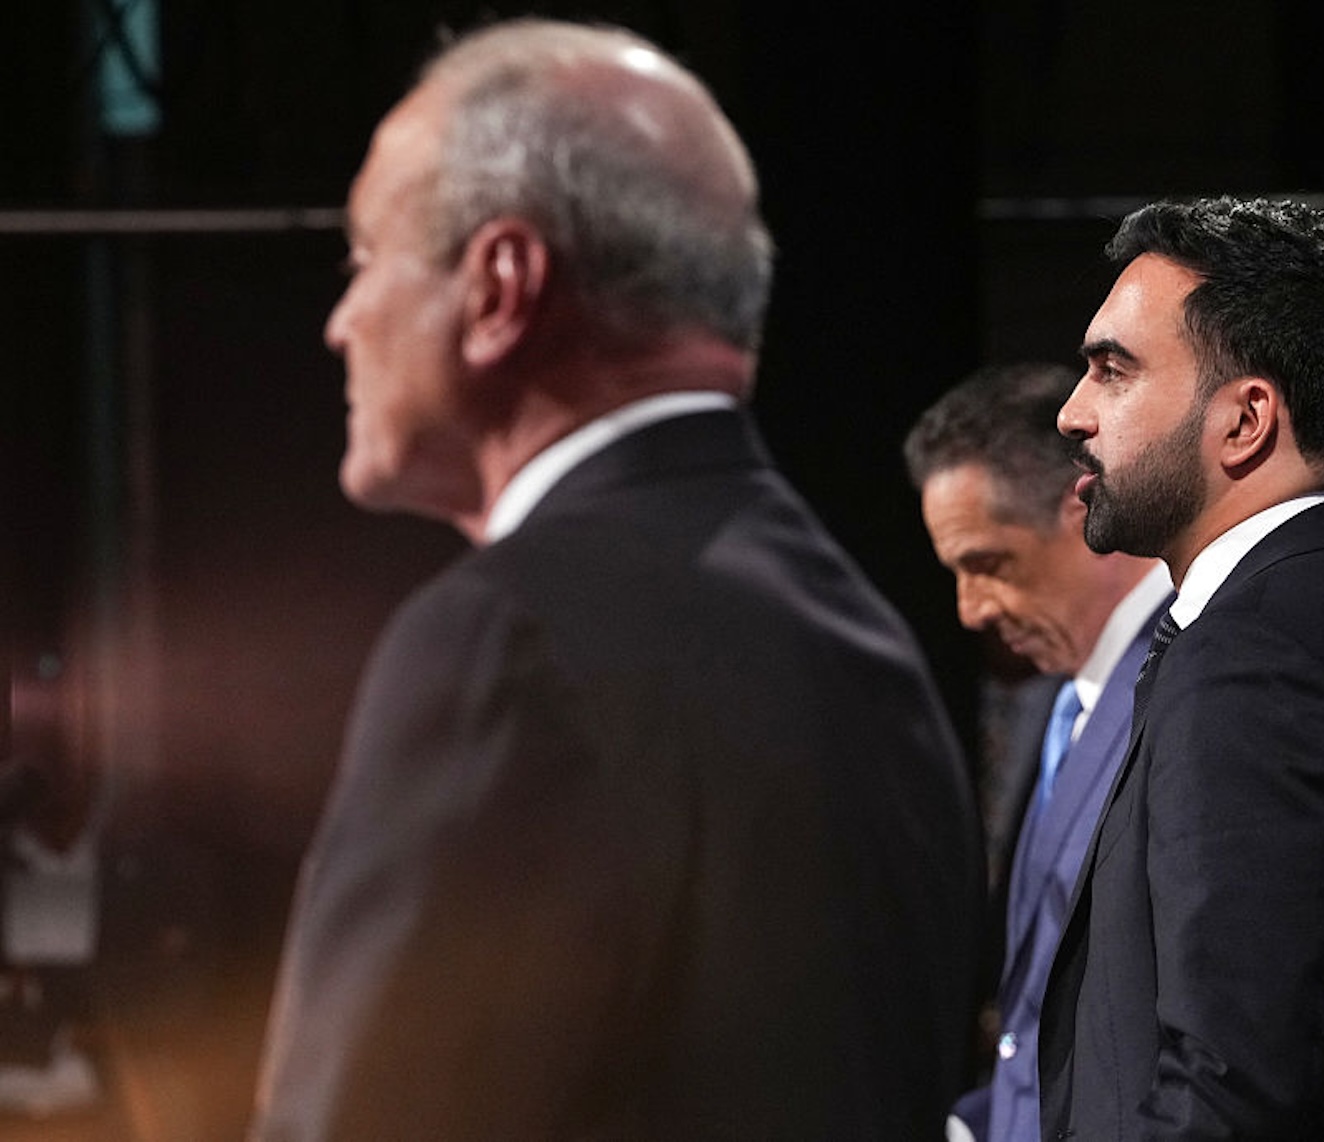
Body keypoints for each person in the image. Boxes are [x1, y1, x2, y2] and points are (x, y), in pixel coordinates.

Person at [248, 19, 982, 1141]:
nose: (339, 320)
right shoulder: (864, 642)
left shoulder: (507, 642)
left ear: (499, 285)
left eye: (363, 258)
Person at [1039, 196, 1324, 1139]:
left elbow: (1231, 1093)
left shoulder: (1261, 658)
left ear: (1246, 420)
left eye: (1114, 370)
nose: (1072, 413)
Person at [904, 364, 1172, 1142]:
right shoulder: (1064, 704)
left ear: (1082, 508)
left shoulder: (1185, 697)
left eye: (987, 564)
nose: (969, 609)